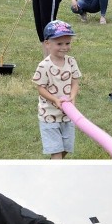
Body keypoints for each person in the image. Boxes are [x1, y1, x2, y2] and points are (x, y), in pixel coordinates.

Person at [32, 20, 80, 160]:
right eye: (59, 44)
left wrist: (72, 97)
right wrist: (55, 100)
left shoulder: (71, 62)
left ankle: (53, 164)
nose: (64, 47)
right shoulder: (44, 65)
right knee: (56, 152)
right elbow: (40, 88)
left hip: (67, 115)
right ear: (47, 44)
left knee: (65, 149)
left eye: (67, 43)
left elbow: (75, 82)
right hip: (49, 115)